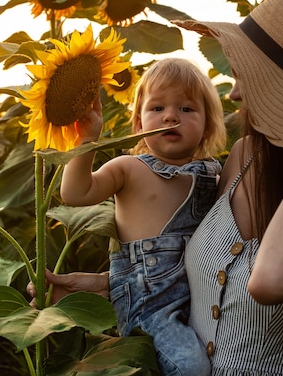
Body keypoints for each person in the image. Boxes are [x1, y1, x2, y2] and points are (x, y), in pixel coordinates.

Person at [30, 0, 283, 375]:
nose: (235, 93)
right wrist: (109, 287)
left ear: (280, 85)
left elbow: (272, 280)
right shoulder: (244, 157)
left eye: (245, 77)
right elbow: (192, 270)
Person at [58, 57, 226, 376]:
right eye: (157, 108)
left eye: (187, 109)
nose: (171, 116)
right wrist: (87, 140)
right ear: (138, 123)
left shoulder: (212, 176)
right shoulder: (129, 169)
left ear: (207, 127)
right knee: (190, 367)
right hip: (147, 303)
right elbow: (75, 194)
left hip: (200, 295)